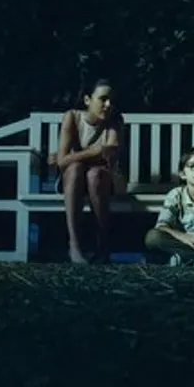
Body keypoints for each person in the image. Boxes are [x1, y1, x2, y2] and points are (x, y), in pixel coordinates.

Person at [49, 79, 124, 264]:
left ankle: (103, 244)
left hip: (102, 180)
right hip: (72, 180)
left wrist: (75, 156)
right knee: (75, 169)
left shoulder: (115, 120)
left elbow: (110, 157)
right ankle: (74, 245)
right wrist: (94, 152)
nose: (108, 104)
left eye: (112, 101)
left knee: (94, 174)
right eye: (103, 99)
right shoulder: (72, 117)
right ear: (87, 100)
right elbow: (63, 162)